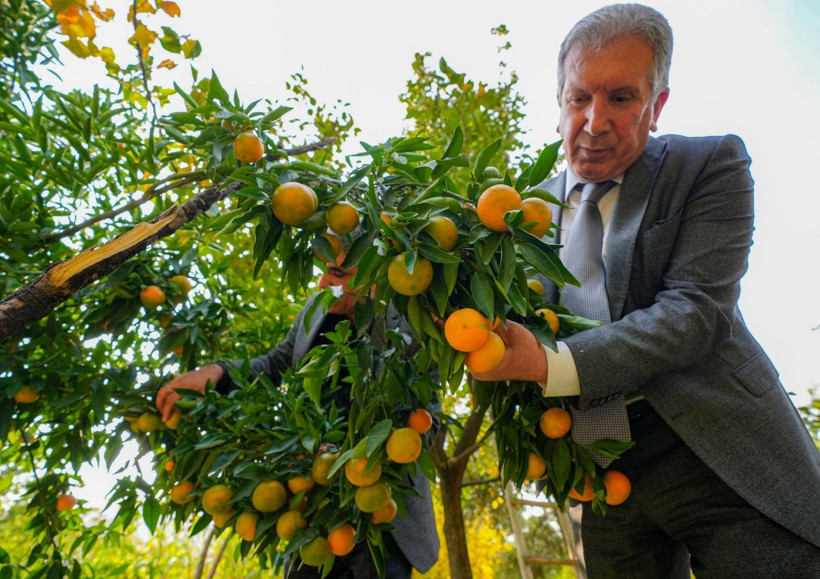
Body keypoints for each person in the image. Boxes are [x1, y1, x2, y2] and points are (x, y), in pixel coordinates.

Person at [471, 4, 820, 577]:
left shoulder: (706, 165)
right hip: (601, 469)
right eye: (579, 98)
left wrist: (546, 363)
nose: (594, 121)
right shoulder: (513, 216)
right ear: (558, 102)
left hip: (713, 444)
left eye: (621, 98)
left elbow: (695, 312)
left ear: (657, 106)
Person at [156, 250, 440, 578]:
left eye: (336, 274)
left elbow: (429, 422)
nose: (322, 283)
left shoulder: (409, 324)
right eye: (325, 271)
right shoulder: (316, 311)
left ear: (371, 277)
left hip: (380, 515)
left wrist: (363, 454)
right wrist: (217, 372)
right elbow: (276, 364)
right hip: (311, 509)